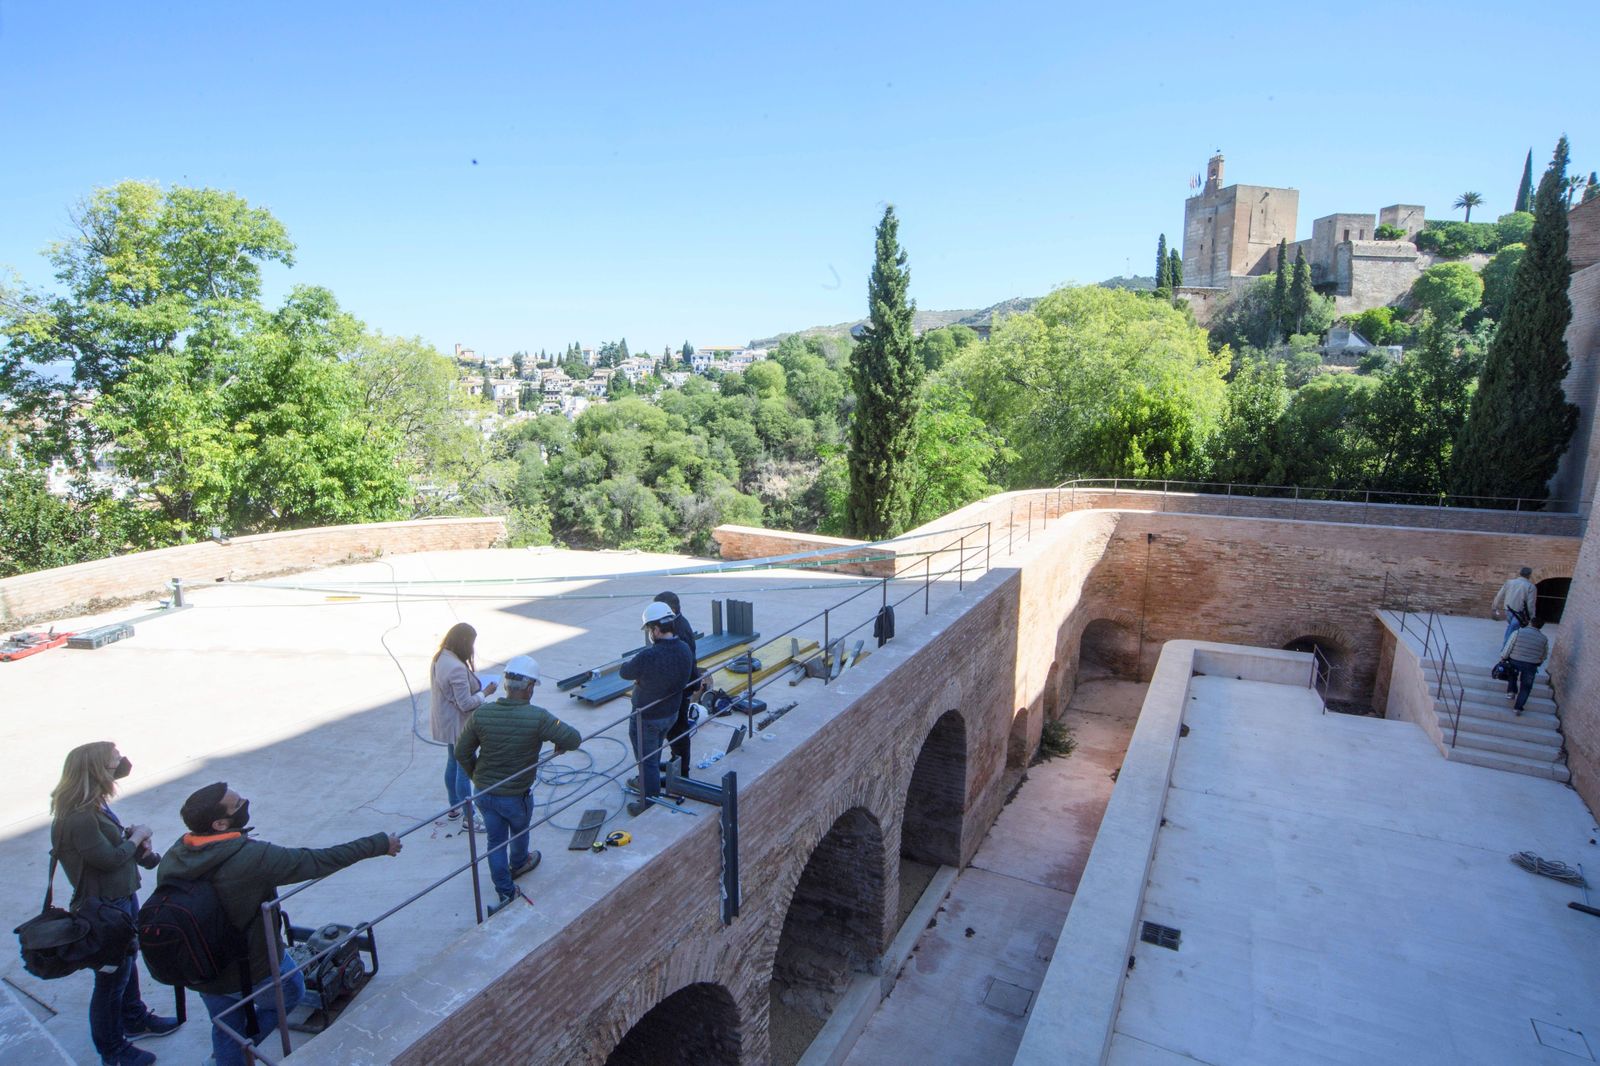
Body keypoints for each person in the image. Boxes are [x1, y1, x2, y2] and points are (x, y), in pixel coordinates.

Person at [157, 783, 401, 1066]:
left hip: (201, 966)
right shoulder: (252, 858)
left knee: (225, 1023)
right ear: (220, 823)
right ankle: (237, 1052)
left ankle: (230, 1053)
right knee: (291, 991)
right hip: (251, 966)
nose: (245, 803)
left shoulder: (177, 854)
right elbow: (317, 860)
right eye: (237, 804)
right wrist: (379, 844)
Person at [49, 742, 181, 1066]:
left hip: (119, 899)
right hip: (104, 909)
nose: (121, 765)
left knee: (126, 964)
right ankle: (113, 1050)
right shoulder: (79, 817)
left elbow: (109, 852)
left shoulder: (95, 805)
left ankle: (134, 1018)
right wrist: (137, 837)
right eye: (113, 763)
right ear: (96, 771)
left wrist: (130, 839)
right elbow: (107, 860)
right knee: (110, 980)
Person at [454, 656, 581, 916]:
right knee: (519, 830)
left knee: (495, 840)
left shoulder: (483, 713)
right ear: (530, 686)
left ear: (505, 684)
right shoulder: (538, 718)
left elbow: (461, 752)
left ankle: (505, 889)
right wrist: (561, 744)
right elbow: (573, 738)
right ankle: (520, 862)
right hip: (515, 795)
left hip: (485, 792)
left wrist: (476, 775)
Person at [620, 602, 695, 817]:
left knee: (647, 762)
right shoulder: (684, 649)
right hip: (670, 714)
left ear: (655, 629)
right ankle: (648, 782)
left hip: (647, 717)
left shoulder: (648, 656)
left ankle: (648, 803)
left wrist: (639, 674)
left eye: (649, 630)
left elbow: (625, 672)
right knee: (654, 753)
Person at [430, 622, 496, 829]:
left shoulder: (441, 656)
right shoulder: (457, 668)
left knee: (452, 761)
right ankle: (469, 816)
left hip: (447, 722)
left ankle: (454, 807)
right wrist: (484, 693)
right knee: (463, 768)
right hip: (459, 725)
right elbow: (466, 704)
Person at [655, 591, 702, 779]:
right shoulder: (676, 623)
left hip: (682, 686)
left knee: (678, 729)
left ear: (673, 610)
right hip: (683, 684)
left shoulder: (679, 629)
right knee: (675, 729)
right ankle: (676, 762)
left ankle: (682, 773)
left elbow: (683, 662)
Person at [1499, 617, 1550, 714]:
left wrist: (1503, 657)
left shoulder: (1518, 633)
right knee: (1526, 686)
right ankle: (1518, 708)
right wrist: (1539, 662)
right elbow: (1544, 654)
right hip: (1531, 665)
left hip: (1515, 660)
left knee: (1512, 675)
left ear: (1530, 623)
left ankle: (1511, 691)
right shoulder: (1544, 639)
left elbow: (1509, 646)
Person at [1491, 566, 1538, 644]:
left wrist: (1494, 607)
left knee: (1512, 628)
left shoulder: (1509, 582)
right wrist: (1531, 617)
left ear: (1520, 573)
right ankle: (1505, 650)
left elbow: (1499, 595)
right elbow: (1531, 604)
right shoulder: (1531, 586)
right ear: (1529, 575)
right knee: (1512, 629)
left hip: (1508, 610)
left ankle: (1509, 647)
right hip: (1520, 612)